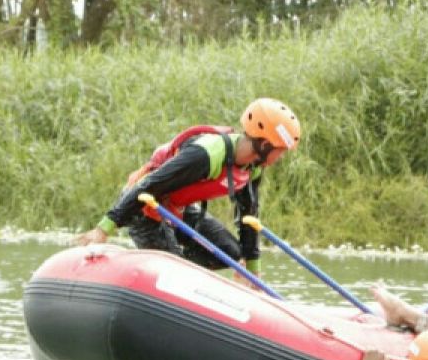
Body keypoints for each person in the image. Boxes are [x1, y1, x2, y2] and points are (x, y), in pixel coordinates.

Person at [75, 98, 301, 276]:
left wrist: (252, 270)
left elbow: (248, 218)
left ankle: (172, 270)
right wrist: (104, 228)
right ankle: (154, 271)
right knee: (176, 270)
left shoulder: (253, 168)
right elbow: (149, 184)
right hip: (145, 207)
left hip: (177, 209)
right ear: (263, 144)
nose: (280, 157)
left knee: (231, 254)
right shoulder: (205, 154)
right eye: (280, 150)